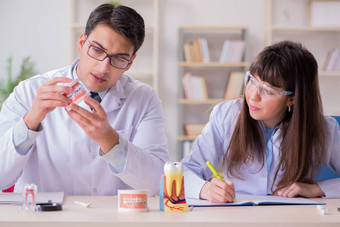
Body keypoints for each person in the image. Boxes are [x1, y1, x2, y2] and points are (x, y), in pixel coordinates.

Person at [0, 4, 169, 195]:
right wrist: (30, 122)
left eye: (119, 59)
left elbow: (157, 183)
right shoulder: (29, 92)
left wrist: (110, 141)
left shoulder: (144, 98)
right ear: (81, 43)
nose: (104, 67)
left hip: (116, 220)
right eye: (97, 50)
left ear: (130, 62)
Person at [181, 40, 340, 203]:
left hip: (294, 216)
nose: (252, 95)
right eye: (251, 80)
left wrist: (317, 188)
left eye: (267, 90)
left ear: (292, 98)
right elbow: (184, 171)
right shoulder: (227, 114)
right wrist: (203, 189)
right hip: (239, 214)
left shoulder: (324, 128)